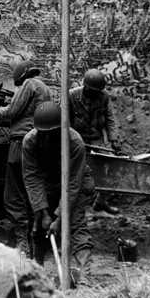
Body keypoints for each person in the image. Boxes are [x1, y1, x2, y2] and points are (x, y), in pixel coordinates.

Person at [22, 101, 95, 284]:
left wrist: (59, 218)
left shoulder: (75, 142)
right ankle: (36, 271)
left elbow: (71, 183)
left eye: (52, 133)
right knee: (39, 226)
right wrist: (44, 212)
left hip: (74, 182)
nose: (47, 137)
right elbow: (32, 177)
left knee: (75, 224)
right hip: (47, 183)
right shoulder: (30, 141)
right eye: (43, 134)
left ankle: (84, 275)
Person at [0, 60, 52, 259]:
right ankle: (37, 248)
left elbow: (12, 112)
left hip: (20, 145)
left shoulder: (29, 85)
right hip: (41, 144)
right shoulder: (45, 88)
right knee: (33, 191)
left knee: (14, 195)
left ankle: (23, 247)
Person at [69, 68, 121, 214]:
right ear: (85, 87)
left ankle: (101, 201)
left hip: (96, 137)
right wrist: (70, 139)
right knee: (75, 170)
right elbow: (63, 120)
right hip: (77, 138)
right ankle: (73, 206)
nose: (96, 94)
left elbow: (110, 119)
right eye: (93, 90)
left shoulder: (104, 96)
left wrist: (113, 140)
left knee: (109, 166)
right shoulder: (72, 96)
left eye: (98, 91)